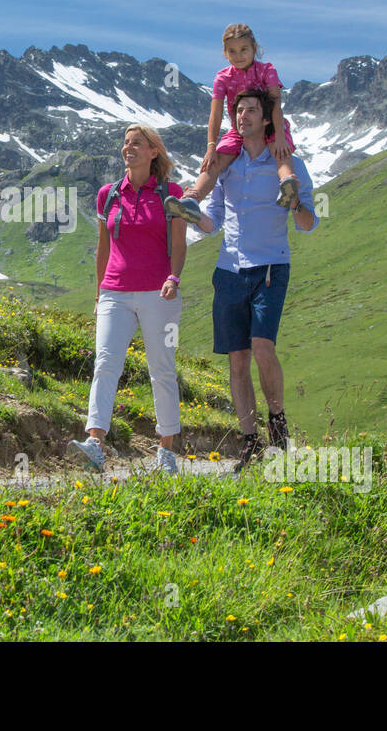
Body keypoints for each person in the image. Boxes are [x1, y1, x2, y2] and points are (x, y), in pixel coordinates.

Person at [194, 90, 320, 470]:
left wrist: (295, 202)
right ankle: (250, 442)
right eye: (238, 110)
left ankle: (278, 424)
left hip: (270, 268)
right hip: (229, 269)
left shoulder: (288, 163)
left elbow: (309, 224)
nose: (243, 115)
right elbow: (212, 220)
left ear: (268, 119)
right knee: (237, 360)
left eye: (251, 110)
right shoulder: (225, 165)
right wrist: (190, 215)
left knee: (263, 349)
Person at [68, 125, 190, 475]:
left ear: (154, 152)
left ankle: (166, 451)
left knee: (162, 369)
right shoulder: (108, 194)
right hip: (114, 293)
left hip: (160, 294)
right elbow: (103, 247)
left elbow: (179, 245)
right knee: (105, 364)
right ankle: (95, 443)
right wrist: (98, 293)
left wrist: (174, 277)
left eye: (137, 143)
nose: (128, 148)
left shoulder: (171, 193)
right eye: (125, 142)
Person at [166, 23, 299, 222]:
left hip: (269, 121)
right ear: (225, 53)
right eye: (232, 51)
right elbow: (216, 114)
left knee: (280, 150)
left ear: (254, 48)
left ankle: (288, 184)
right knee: (215, 160)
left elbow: (276, 102)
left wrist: (280, 135)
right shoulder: (222, 77)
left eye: (244, 49)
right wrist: (211, 146)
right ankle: (192, 200)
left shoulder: (266, 70)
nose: (238, 55)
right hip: (239, 129)